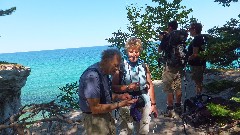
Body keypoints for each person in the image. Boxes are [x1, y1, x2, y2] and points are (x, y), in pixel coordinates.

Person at [78, 49, 138, 135]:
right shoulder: (93, 76)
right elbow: (95, 108)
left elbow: (105, 95)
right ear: (106, 61)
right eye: (115, 65)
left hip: (105, 115)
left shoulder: (104, 73)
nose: (117, 69)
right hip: (95, 120)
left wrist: (119, 97)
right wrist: (120, 104)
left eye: (119, 66)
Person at [112, 37, 158, 135]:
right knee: (125, 130)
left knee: (143, 130)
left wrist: (153, 104)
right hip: (126, 101)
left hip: (144, 100)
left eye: (136, 52)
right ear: (127, 51)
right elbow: (114, 87)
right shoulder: (121, 66)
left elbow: (150, 85)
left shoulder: (144, 65)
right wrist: (128, 87)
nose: (134, 54)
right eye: (131, 51)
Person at [159, 20, 183, 117]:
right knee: (178, 86)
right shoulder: (180, 37)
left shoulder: (167, 37)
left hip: (169, 66)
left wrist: (162, 39)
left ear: (169, 27)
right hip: (179, 65)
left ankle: (170, 110)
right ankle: (178, 107)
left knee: (169, 88)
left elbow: (159, 50)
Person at [187, 22, 206, 95]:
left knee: (198, 82)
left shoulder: (196, 39)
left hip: (196, 64)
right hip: (201, 63)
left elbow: (195, 54)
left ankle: (198, 97)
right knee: (199, 81)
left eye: (190, 29)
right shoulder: (201, 37)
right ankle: (198, 96)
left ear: (194, 30)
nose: (189, 31)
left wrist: (187, 59)